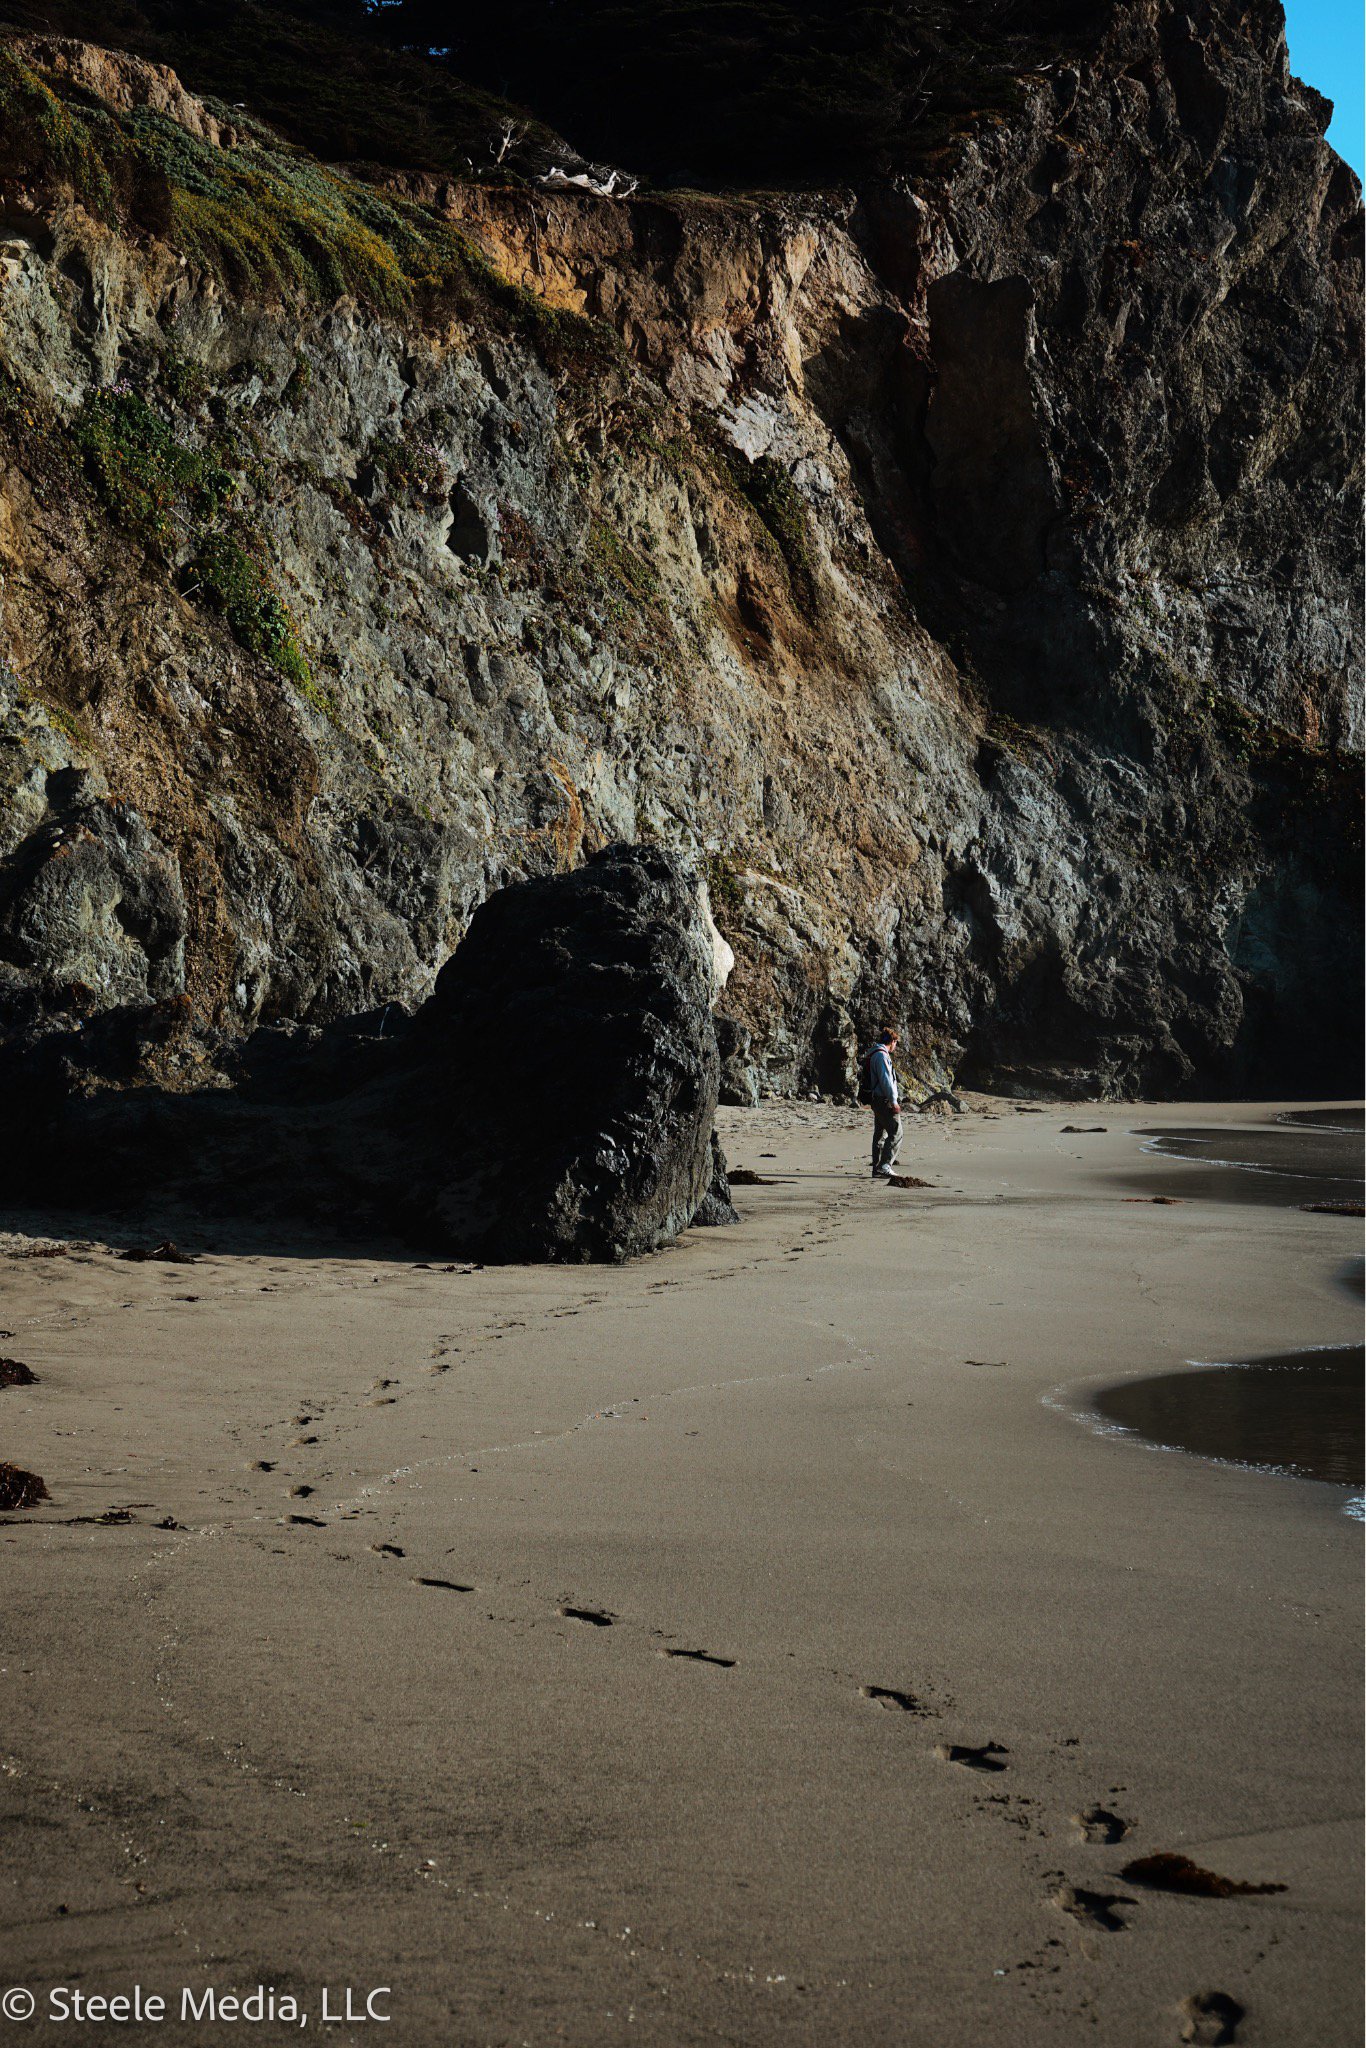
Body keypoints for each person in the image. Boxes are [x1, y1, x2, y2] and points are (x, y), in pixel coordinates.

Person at [866, 1027, 902, 1179]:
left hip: (876, 1099)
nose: (896, 1046)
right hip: (883, 1099)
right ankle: (885, 1165)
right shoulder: (881, 1056)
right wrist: (894, 1101)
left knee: (880, 1133)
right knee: (896, 1131)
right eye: (896, 1042)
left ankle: (877, 1167)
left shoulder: (873, 1053)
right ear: (892, 1041)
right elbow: (886, 1080)